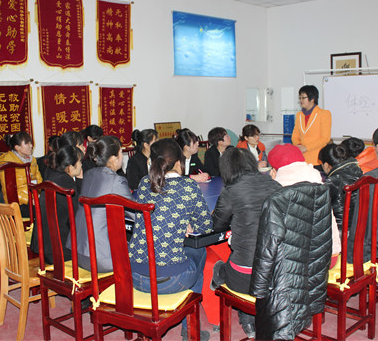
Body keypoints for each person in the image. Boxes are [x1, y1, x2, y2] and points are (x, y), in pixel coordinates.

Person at [129, 138, 212, 341]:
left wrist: (180, 222)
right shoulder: (188, 186)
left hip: (135, 275)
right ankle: (189, 330)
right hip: (169, 281)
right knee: (199, 252)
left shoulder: (143, 183)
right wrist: (187, 224)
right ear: (178, 161)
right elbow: (205, 227)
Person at [210, 147, 281, 338]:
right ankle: (250, 317)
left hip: (246, 278)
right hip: (276, 274)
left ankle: (246, 315)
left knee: (221, 266)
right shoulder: (275, 185)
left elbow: (216, 225)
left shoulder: (231, 191)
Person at [267, 143, 341, 268]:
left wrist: (273, 182)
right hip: (329, 256)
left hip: (297, 264)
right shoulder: (317, 180)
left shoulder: (280, 189)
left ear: (275, 170)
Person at [73, 135, 132, 272]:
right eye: (121, 153)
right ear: (113, 158)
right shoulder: (116, 181)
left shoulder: (89, 174)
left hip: (80, 253)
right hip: (102, 258)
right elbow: (137, 213)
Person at [30, 145, 83, 264]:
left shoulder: (52, 176)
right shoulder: (65, 183)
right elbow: (79, 214)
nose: (81, 165)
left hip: (45, 247)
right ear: (70, 167)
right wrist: (80, 180)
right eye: (79, 162)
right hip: (61, 250)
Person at [0, 131, 43, 217]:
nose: (31, 146)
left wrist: (40, 197)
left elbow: (39, 181)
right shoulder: (7, 162)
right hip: (18, 203)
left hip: (34, 198)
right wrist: (30, 200)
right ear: (17, 147)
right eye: (27, 143)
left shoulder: (32, 160)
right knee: (44, 212)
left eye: (31, 143)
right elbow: (9, 190)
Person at [318, 143, 362, 230]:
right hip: (360, 227)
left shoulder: (333, 181)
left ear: (326, 165)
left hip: (341, 231)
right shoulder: (358, 172)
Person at [291, 85, 332, 166]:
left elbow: (325, 138)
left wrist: (306, 147)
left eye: (303, 98)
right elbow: (295, 136)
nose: (301, 100)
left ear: (312, 99)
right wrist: (298, 146)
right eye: (300, 98)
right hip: (301, 159)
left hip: (317, 159)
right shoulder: (299, 115)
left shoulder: (324, 114)